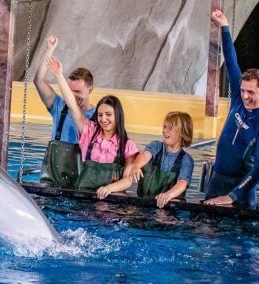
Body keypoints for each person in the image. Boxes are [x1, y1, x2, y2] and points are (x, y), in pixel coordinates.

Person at [203, 10, 259, 209]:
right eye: (242, 91)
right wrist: (224, 26)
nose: (245, 96)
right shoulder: (238, 101)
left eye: (251, 92)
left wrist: (233, 196)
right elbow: (232, 61)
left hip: (241, 191)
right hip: (217, 179)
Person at [46, 56, 138, 191]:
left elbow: (128, 179)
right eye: (100, 115)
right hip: (84, 197)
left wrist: (109, 189)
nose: (103, 119)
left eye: (108, 115)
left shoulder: (127, 145)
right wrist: (59, 75)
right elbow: (72, 105)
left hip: (109, 200)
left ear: (117, 116)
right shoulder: (89, 133)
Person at [97, 112, 195, 208]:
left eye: (170, 128)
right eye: (165, 127)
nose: (165, 131)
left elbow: (182, 184)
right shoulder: (156, 146)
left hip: (169, 209)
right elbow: (144, 156)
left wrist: (168, 195)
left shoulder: (187, 160)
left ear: (182, 132)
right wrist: (135, 166)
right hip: (144, 205)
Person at [34, 35, 96, 187]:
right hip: (52, 177)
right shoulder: (59, 106)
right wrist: (49, 50)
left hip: (81, 180)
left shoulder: (97, 117)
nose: (73, 96)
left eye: (78, 92)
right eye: (70, 91)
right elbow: (38, 81)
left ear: (90, 89)